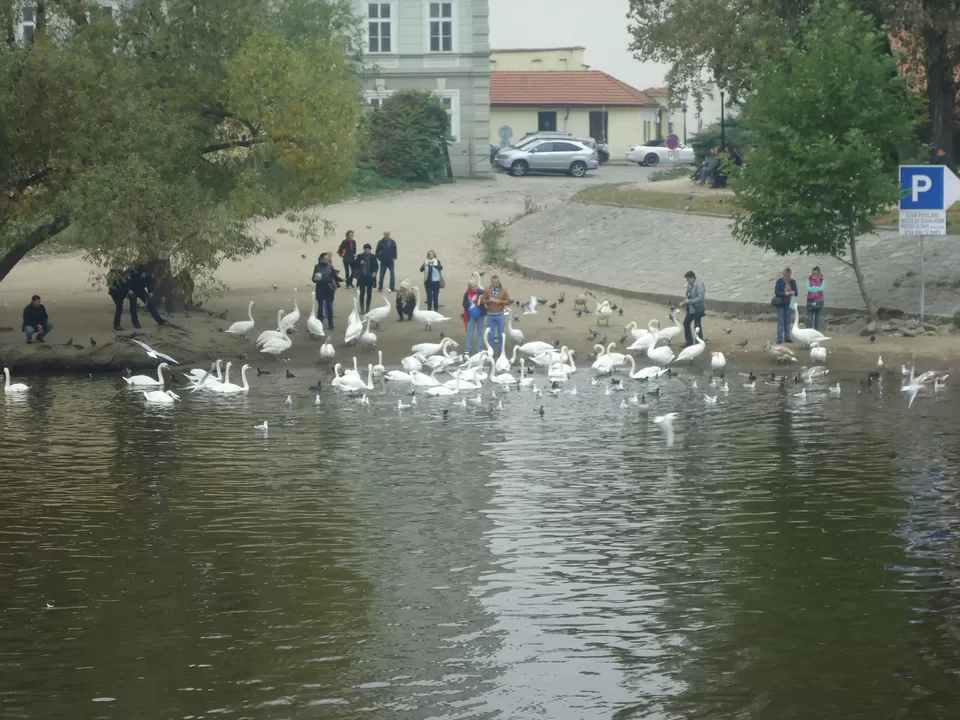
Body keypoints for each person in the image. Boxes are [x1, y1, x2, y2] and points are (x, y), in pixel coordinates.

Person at [480, 275, 510, 354]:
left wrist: (499, 302)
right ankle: (491, 351)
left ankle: (501, 350)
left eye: (497, 282)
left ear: (499, 281)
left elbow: (508, 301)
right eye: (494, 282)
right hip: (490, 315)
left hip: (500, 314)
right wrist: (489, 300)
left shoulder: (503, 290)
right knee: (491, 334)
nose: (495, 284)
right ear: (491, 282)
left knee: (501, 334)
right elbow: (482, 300)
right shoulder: (487, 290)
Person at [312, 252, 340, 330]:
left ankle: (331, 325)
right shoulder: (317, 267)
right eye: (325, 258)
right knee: (320, 308)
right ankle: (319, 324)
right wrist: (315, 279)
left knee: (329, 307)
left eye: (328, 258)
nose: (327, 260)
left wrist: (341, 280)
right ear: (321, 259)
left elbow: (335, 276)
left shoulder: (330, 266)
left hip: (329, 289)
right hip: (320, 289)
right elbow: (313, 279)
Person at [678, 270, 706, 346]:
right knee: (693, 323)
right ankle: (696, 340)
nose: (687, 281)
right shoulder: (689, 285)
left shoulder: (699, 285)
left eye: (688, 279)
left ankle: (694, 341)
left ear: (692, 278)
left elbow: (700, 298)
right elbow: (688, 295)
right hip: (691, 309)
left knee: (692, 323)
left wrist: (689, 301)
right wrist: (684, 302)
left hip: (698, 308)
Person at [774, 267, 799, 343]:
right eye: (785, 275)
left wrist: (793, 292)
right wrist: (785, 293)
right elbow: (777, 292)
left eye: (787, 276)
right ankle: (779, 338)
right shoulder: (779, 281)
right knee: (781, 321)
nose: (786, 277)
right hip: (781, 303)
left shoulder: (793, 282)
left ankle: (787, 337)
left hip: (789, 303)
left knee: (787, 321)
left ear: (790, 275)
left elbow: (796, 293)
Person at [354, 243, 379, 314]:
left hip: (370, 277)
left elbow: (376, 266)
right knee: (362, 293)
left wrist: (374, 272)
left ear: (370, 249)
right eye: (365, 249)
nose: (367, 250)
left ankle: (367, 307)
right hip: (362, 277)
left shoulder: (373, 257)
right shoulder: (360, 256)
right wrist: (359, 262)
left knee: (369, 293)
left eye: (368, 249)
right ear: (364, 249)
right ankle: (362, 308)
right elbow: (355, 264)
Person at [462, 280, 485, 355]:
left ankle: (480, 349)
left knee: (480, 332)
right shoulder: (467, 294)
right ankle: (468, 348)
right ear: (470, 287)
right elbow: (464, 304)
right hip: (471, 315)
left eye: (476, 286)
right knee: (470, 333)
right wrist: (470, 305)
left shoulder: (481, 292)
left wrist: (480, 301)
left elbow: (485, 302)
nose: (475, 287)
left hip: (480, 314)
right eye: (473, 286)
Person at [806, 266, 825, 332]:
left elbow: (822, 288)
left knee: (817, 317)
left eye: (816, 274)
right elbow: (808, 289)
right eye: (813, 273)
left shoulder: (822, 280)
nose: (814, 275)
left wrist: (813, 287)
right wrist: (816, 288)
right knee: (809, 318)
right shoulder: (809, 280)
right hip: (810, 300)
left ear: (819, 273)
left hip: (819, 300)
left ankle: (817, 332)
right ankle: (808, 332)